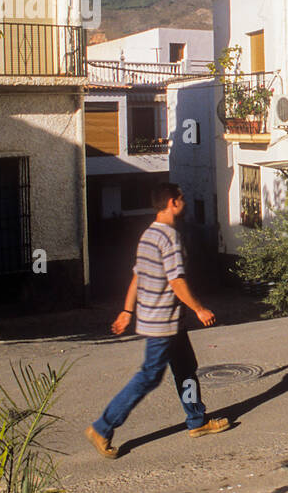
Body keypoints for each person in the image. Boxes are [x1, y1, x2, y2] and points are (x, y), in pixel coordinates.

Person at [86, 183, 230, 458]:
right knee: (149, 376)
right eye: (182, 199)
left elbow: (137, 277)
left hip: (168, 320)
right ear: (172, 203)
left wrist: (126, 312)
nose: (185, 203)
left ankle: (197, 421)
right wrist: (199, 309)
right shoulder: (169, 237)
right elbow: (176, 281)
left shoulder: (148, 235)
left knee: (186, 367)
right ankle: (103, 428)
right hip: (162, 321)